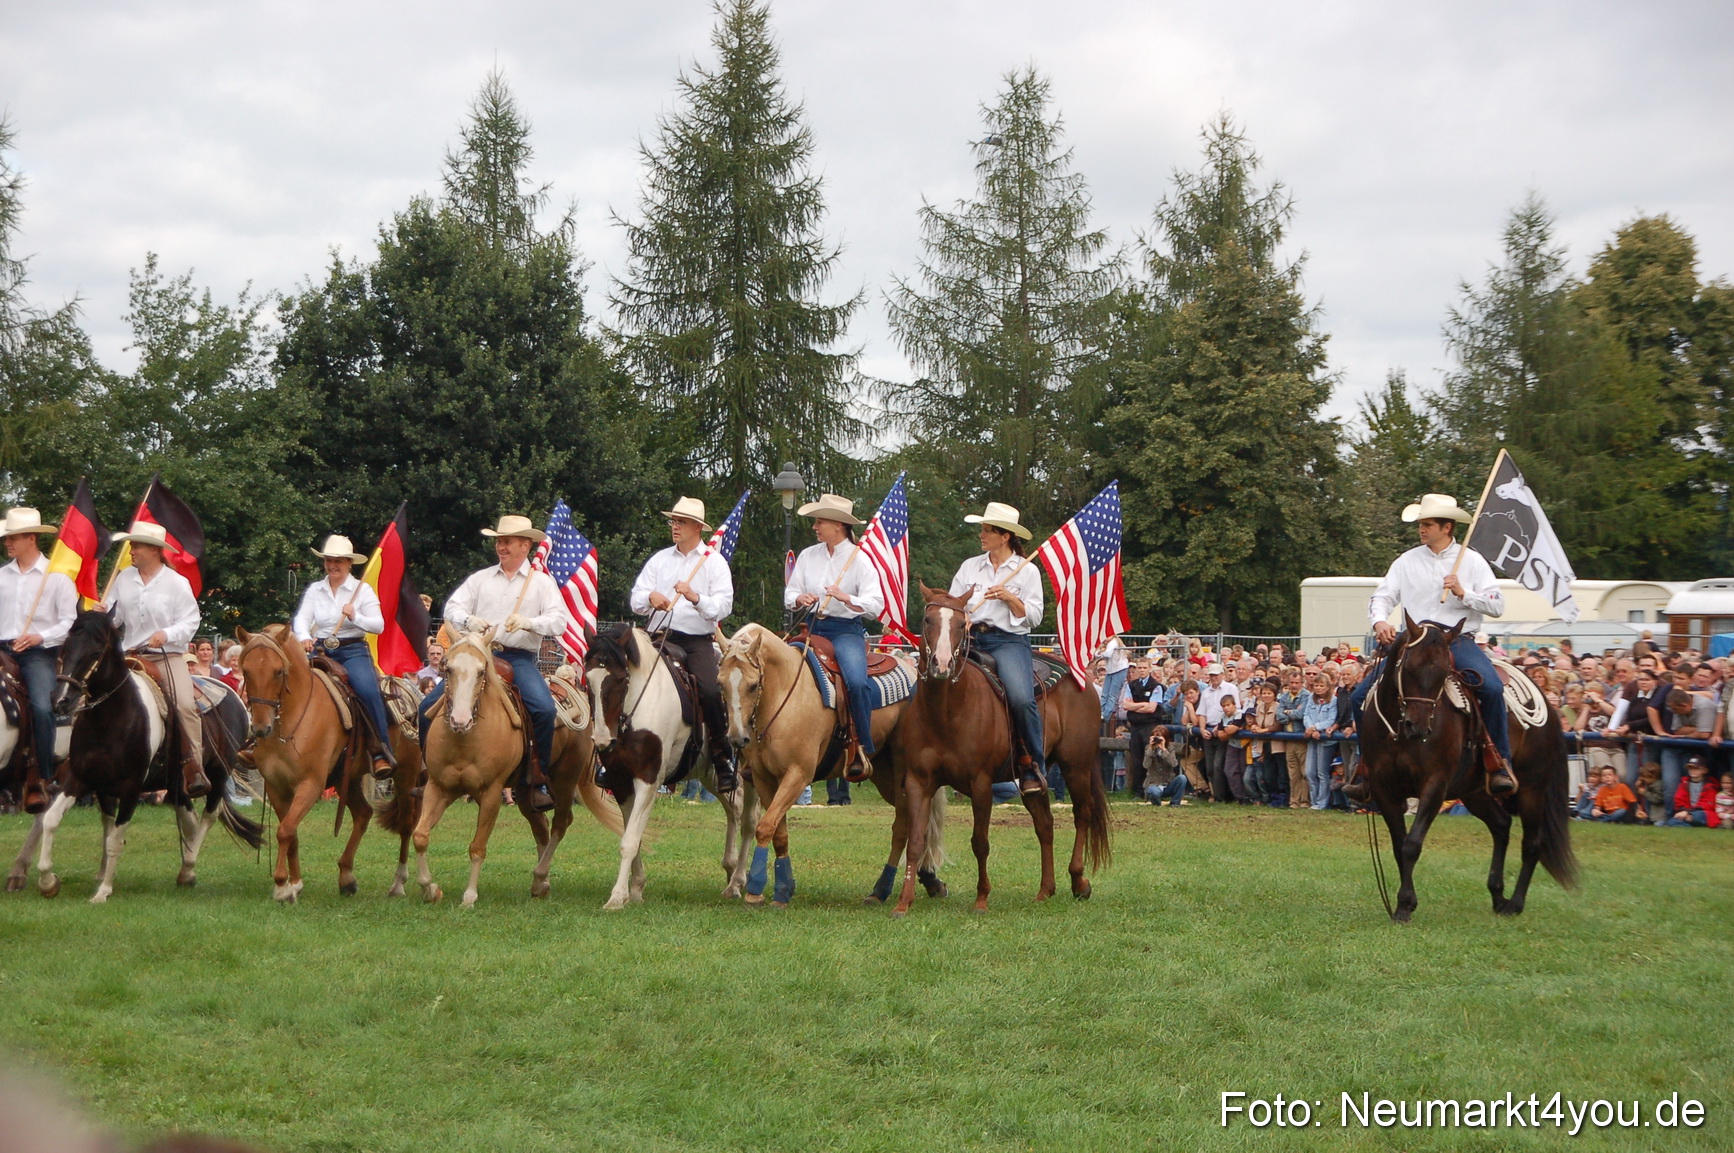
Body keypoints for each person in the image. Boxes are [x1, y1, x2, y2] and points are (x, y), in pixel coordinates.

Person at [1350, 493, 1516, 799]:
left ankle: (1498, 763)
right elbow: (1382, 597)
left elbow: (1497, 604)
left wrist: (1464, 593)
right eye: (1421, 524)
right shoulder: (1406, 560)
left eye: (1428, 524)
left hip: (1455, 640)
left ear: (1447, 527)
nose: (1421, 529)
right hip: (1412, 641)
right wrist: (1380, 622)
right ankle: (1368, 768)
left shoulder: (1473, 561)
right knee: (1359, 697)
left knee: (1492, 688)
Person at [419, 515, 567, 811]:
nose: (501, 546)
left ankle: (537, 777)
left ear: (525, 545)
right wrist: (468, 619)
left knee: (544, 707)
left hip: (517, 658)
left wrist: (529, 622)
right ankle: (428, 773)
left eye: (507, 541)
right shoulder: (480, 579)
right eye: (499, 541)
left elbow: (559, 621)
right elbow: (452, 608)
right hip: (476, 656)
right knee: (426, 708)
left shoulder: (541, 583)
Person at [630, 497, 737, 792]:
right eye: (673, 521)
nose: (675, 527)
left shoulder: (714, 562)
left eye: (681, 522)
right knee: (621, 679)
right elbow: (635, 598)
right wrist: (650, 597)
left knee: (710, 689)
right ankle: (611, 752)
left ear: (698, 528)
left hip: (695, 641)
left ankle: (721, 755)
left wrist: (695, 597)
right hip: (655, 639)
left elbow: (723, 606)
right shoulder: (660, 559)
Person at [783, 493, 884, 781]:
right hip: (812, 627)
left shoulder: (860, 559)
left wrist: (846, 597)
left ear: (838, 525)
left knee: (855, 681)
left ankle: (860, 745)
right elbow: (790, 593)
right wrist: (799, 598)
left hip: (844, 630)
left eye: (820, 521)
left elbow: (875, 606)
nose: (815, 527)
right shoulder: (807, 555)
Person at [949, 502, 1046, 794]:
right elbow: (954, 603)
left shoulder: (1026, 571)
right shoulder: (970, 566)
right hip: (971, 640)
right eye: (982, 529)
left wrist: (1009, 598)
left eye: (987, 530)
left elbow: (1035, 616)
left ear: (1004, 536)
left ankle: (1032, 766)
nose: (981, 535)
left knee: (1020, 697)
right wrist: (962, 617)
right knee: (928, 683)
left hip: (1008, 641)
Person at [106, 521, 207, 798]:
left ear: (154, 550)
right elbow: (114, 619)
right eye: (131, 544)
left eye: (136, 545)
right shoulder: (123, 578)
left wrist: (167, 633)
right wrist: (102, 614)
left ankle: (194, 768)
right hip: (129, 656)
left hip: (167, 656)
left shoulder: (177, 583)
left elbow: (191, 620)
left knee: (185, 705)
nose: (131, 550)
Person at [293, 535, 395, 787]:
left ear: (349, 563)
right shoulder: (315, 590)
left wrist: (356, 615)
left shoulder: (362, 590)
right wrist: (304, 637)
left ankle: (380, 751)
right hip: (319, 650)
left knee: (368, 691)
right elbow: (301, 619)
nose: (332, 565)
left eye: (338, 561)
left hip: (352, 651)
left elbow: (379, 625)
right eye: (329, 560)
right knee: (288, 684)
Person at [0, 507, 78, 813]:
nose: (7, 543)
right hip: (2, 647)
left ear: (31, 538)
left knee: (43, 707)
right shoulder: (1, 576)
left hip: (37, 652)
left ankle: (43, 775)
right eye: (7, 538)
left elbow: (68, 622)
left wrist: (38, 637)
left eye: (14, 537)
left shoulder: (56, 578)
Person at [1302, 672, 1339, 811]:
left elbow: (1331, 719)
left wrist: (1317, 727)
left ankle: (1322, 803)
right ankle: (1314, 800)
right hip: (1312, 738)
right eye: (1316, 685)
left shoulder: (1334, 700)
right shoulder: (1312, 699)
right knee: (1310, 771)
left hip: (1325, 740)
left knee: (1322, 772)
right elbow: (1306, 715)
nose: (1318, 688)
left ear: (1328, 686)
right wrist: (1310, 728)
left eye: (1321, 685)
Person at [1664, 757, 1719, 827]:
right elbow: (1678, 800)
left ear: (1704, 770)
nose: (1693, 770)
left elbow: (1708, 804)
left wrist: (1688, 812)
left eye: (1696, 768)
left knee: (1698, 815)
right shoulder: (1684, 782)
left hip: (1703, 813)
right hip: (1686, 812)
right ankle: (1688, 824)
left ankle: (1689, 821)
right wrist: (1685, 812)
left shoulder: (1710, 785)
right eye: (1690, 768)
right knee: (1673, 821)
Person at [1142, 727, 1187, 806]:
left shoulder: (1170, 748)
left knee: (1182, 778)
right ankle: (1157, 804)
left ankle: (1175, 803)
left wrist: (1164, 750)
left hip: (1168, 784)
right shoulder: (1148, 748)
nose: (1157, 741)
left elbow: (1174, 764)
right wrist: (1151, 749)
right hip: (1154, 784)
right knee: (1153, 792)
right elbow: (1146, 765)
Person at [1097, 634, 1130, 728]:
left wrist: (1101, 652)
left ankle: (1106, 715)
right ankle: (1102, 712)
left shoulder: (1114, 642)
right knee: (1105, 693)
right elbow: (1096, 654)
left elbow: (1107, 654)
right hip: (1110, 670)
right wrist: (1101, 652)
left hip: (1119, 670)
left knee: (1112, 695)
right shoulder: (1107, 644)